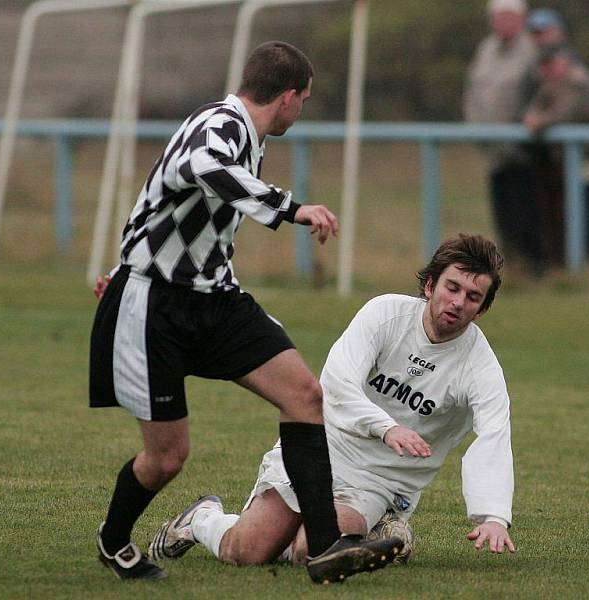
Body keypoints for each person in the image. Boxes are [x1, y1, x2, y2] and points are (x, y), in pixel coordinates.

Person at [89, 40, 402, 584]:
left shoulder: (249, 139)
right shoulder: (221, 123)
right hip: (155, 306)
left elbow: (167, 208)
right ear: (287, 97)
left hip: (215, 300)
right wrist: (292, 208)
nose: (300, 110)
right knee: (167, 458)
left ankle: (326, 547)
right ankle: (114, 540)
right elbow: (200, 166)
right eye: (303, 99)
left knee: (305, 396)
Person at [147, 234, 516, 568]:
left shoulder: (479, 366)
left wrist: (494, 516)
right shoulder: (384, 315)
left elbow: (494, 432)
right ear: (430, 285)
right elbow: (337, 385)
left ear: (482, 309)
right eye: (452, 287)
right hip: (323, 447)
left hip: (380, 480)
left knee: (313, 550)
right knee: (246, 552)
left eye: (472, 297)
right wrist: (386, 428)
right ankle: (202, 518)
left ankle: (379, 524)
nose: (458, 302)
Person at [522, 44, 589, 276]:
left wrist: (540, 121)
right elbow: (532, 112)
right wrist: (534, 117)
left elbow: (570, 112)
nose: (548, 70)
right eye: (544, 66)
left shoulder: (580, 81)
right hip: (581, 166)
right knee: (583, 224)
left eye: (552, 64)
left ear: (565, 61)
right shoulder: (550, 86)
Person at [463, 0, 544, 276]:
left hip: (526, 152)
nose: (502, 22)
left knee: (529, 214)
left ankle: (536, 271)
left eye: (508, 17)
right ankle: (512, 268)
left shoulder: (533, 50)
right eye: (498, 17)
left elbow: (541, 94)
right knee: (503, 214)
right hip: (495, 151)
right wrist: (477, 129)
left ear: (521, 19)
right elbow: (473, 93)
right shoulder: (485, 50)